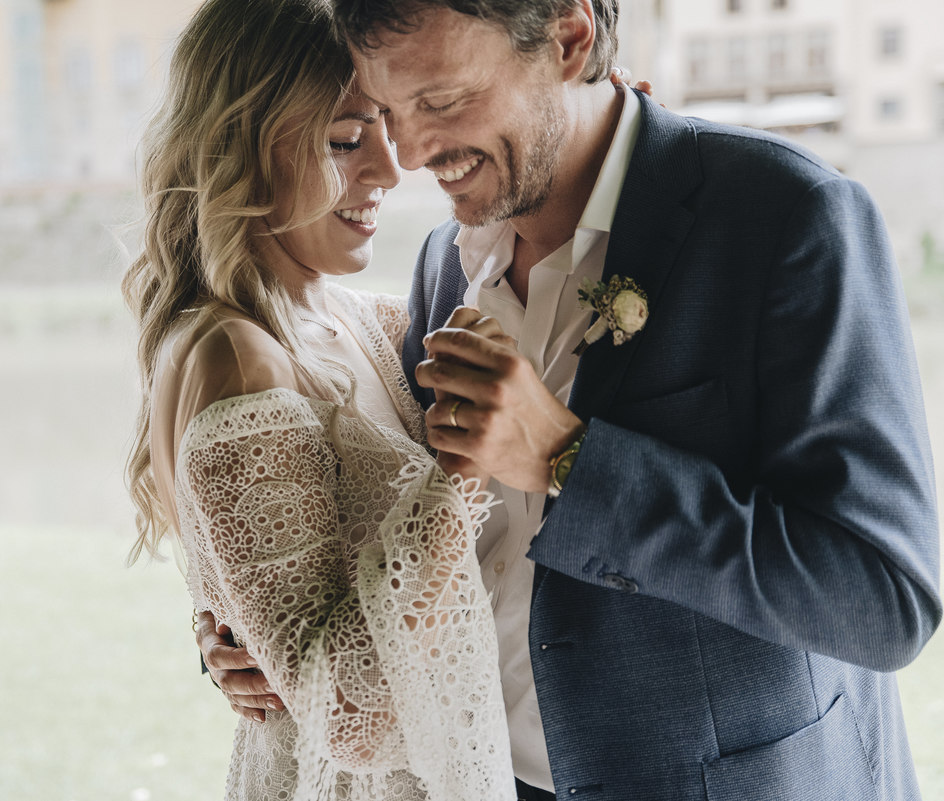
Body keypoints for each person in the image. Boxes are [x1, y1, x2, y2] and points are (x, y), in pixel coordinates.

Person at [205, 1, 942, 799]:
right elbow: (406, 528)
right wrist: (265, 637)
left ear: (568, 37)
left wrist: (569, 458)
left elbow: (883, 598)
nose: (411, 151)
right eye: (386, 111)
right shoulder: (441, 266)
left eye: (442, 102)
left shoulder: (785, 216)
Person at [124, 0, 518, 798]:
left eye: (383, 125)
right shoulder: (237, 360)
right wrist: (469, 466)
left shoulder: (361, 320)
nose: (385, 167)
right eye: (343, 139)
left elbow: (296, 602)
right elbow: (349, 716)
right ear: (241, 143)